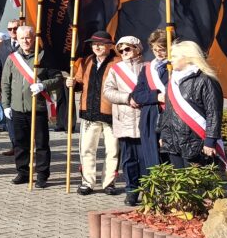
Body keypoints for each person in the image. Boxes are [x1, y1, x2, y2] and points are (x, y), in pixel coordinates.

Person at [0, 25, 63, 188]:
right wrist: (6, 105)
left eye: (28, 37)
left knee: (41, 144)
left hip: (38, 108)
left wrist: (43, 85)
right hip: (17, 109)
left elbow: (58, 79)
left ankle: (42, 174)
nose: (25, 41)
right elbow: (5, 83)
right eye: (22, 38)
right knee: (20, 143)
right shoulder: (12, 58)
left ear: (34, 38)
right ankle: (23, 172)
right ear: (18, 40)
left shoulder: (44, 57)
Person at [65, 30, 121, 196]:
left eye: (101, 43)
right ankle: (87, 182)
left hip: (111, 113)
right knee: (87, 149)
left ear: (110, 46)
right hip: (89, 113)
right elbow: (80, 82)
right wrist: (72, 82)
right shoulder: (87, 61)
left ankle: (109, 182)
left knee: (112, 150)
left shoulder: (117, 63)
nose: (97, 46)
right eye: (94, 44)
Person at [158, 40, 223, 169]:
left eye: (175, 56)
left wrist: (210, 141)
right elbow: (168, 113)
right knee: (179, 183)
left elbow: (214, 113)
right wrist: (163, 135)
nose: (170, 60)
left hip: (195, 142)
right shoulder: (172, 81)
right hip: (173, 142)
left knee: (197, 185)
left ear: (187, 58)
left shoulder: (206, 80)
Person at [103, 36, 146, 207]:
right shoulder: (116, 69)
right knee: (128, 159)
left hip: (144, 120)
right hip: (124, 119)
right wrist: (127, 97)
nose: (123, 53)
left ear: (137, 48)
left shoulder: (147, 67)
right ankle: (131, 191)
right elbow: (108, 91)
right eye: (120, 50)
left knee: (145, 159)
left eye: (127, 49)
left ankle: (149, 189)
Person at [131, 29, 168, 171]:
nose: (158, 53)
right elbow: (137, 95)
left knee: (167, 158)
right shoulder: (147, 69)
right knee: (152, 160)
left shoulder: (175, 67)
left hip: (168, 117)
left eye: (162, 49)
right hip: (150, 117)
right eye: (154, 50)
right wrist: (155, 96)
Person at [0, 19, 21, 156]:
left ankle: (24, 147)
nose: (13, 31)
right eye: (10, 29)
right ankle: (14, 145)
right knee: (9, 119)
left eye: (15, 28)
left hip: (22, 88)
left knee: (22, 119)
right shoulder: (3, 45)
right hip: (7, 88)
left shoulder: (28, 43)